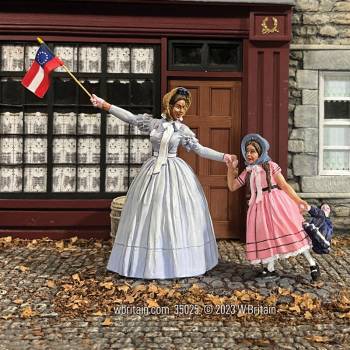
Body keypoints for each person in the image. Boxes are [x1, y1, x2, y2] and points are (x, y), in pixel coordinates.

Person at [91, 87, 236, 279]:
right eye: (177, 106)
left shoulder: (182, 130)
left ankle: (177, 263)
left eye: (184, 107)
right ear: (169, 105)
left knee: (173, 212)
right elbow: (130, 118)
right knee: (148, 211)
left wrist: (224, 157)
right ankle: (146, 262)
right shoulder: (154, 124)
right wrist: (105, 105)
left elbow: (199, 149)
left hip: (174, 171)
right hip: (152, 171)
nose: (180, 110)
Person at [227, 133, 321, 281]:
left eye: (252, 151)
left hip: (276, 202)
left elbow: (283, 185)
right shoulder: (248, 171)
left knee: (290, 231)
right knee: (265, 234)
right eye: (247, 151)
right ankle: (269, 268)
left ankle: (312, 263)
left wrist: (298, 200)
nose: (249, 154)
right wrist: (230, 169)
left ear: (260, 152)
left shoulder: (271, 166)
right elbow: (232, 186)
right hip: (258, 206)